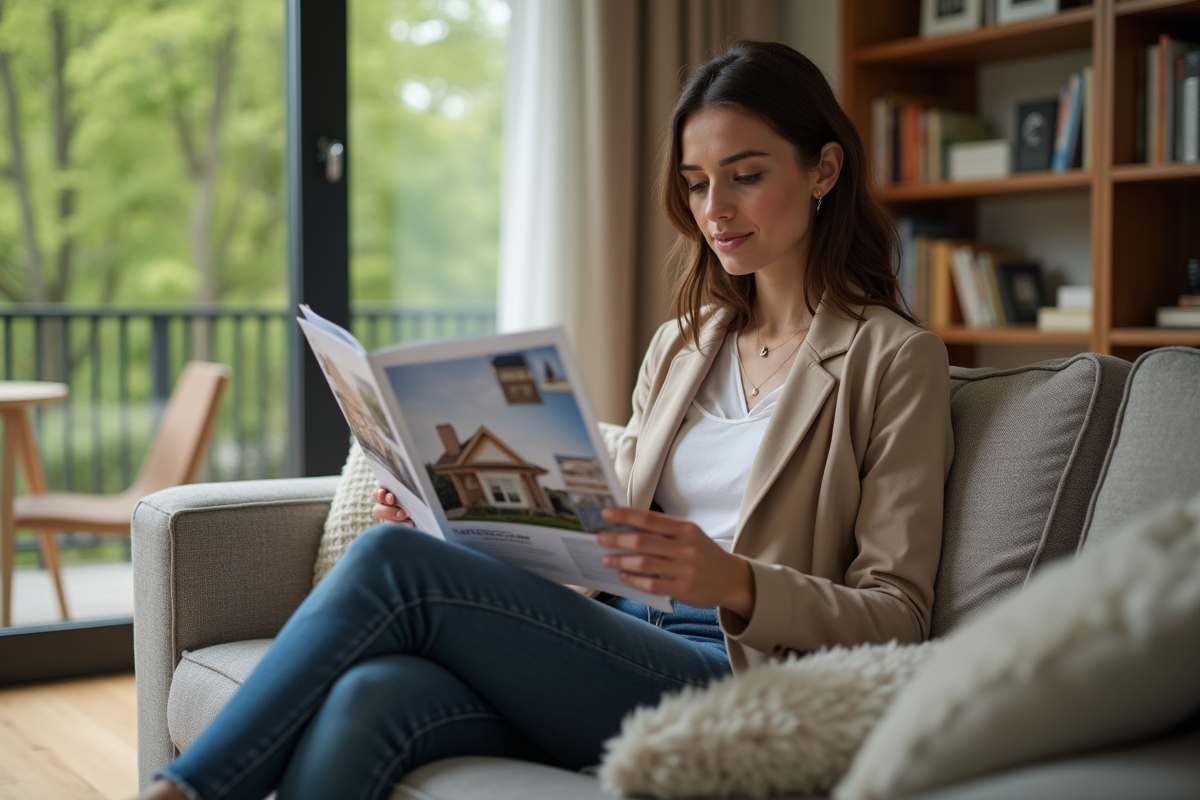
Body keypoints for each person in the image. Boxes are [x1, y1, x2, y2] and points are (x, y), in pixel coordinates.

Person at [137, 40, 953, 800]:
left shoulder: (893, 358)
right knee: (371, 694)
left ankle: (186, 790)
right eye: (697, 182)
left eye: (744, 175)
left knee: (388, 563)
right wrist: (448, 515)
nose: (715, 208)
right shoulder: (683, 345)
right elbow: (600, 532)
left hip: (734, 669)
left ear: (824, 170)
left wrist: (734, 581)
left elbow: (898, 614)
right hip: (614, 634)